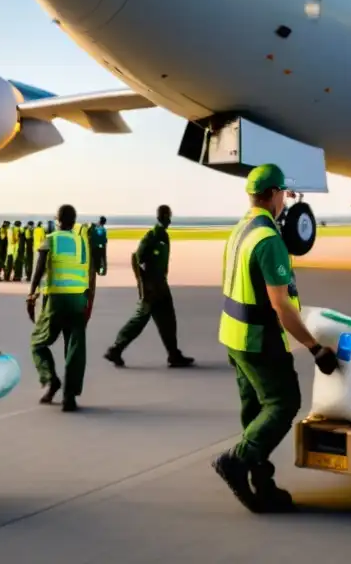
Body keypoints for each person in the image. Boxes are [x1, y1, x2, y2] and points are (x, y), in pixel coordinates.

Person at [212, 164, 338, 513]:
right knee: (283, 402)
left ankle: (262, 485)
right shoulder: (269, 242)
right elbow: (281, 306)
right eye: (283, 192)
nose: (285, 198)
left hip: (232, 335)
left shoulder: (240, 230)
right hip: (258, 339)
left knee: (255, 411)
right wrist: (315, 348)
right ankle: (236, 462)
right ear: (272, 195)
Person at [104, 205, 193, 369]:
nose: (170, 220)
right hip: (152, 288)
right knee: (139, 320)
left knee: (168, 320)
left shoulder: (163, 235)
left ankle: (173, 354)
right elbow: (137, 258)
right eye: (168, 216)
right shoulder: (152, 235)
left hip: (161, 285)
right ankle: (115, 349)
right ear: (163, 216)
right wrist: (143, 286)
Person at [26, 205, 95, 412]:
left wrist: (30, 296)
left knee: (37, 342)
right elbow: (91, 274)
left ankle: (50, 379)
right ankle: (70, 397)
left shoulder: (52, 239)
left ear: (58, 219)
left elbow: (39, 269)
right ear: (74, 221)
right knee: (75, 349)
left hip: (57, 299)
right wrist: (89, 302)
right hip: (79, 300)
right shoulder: (83, 242)